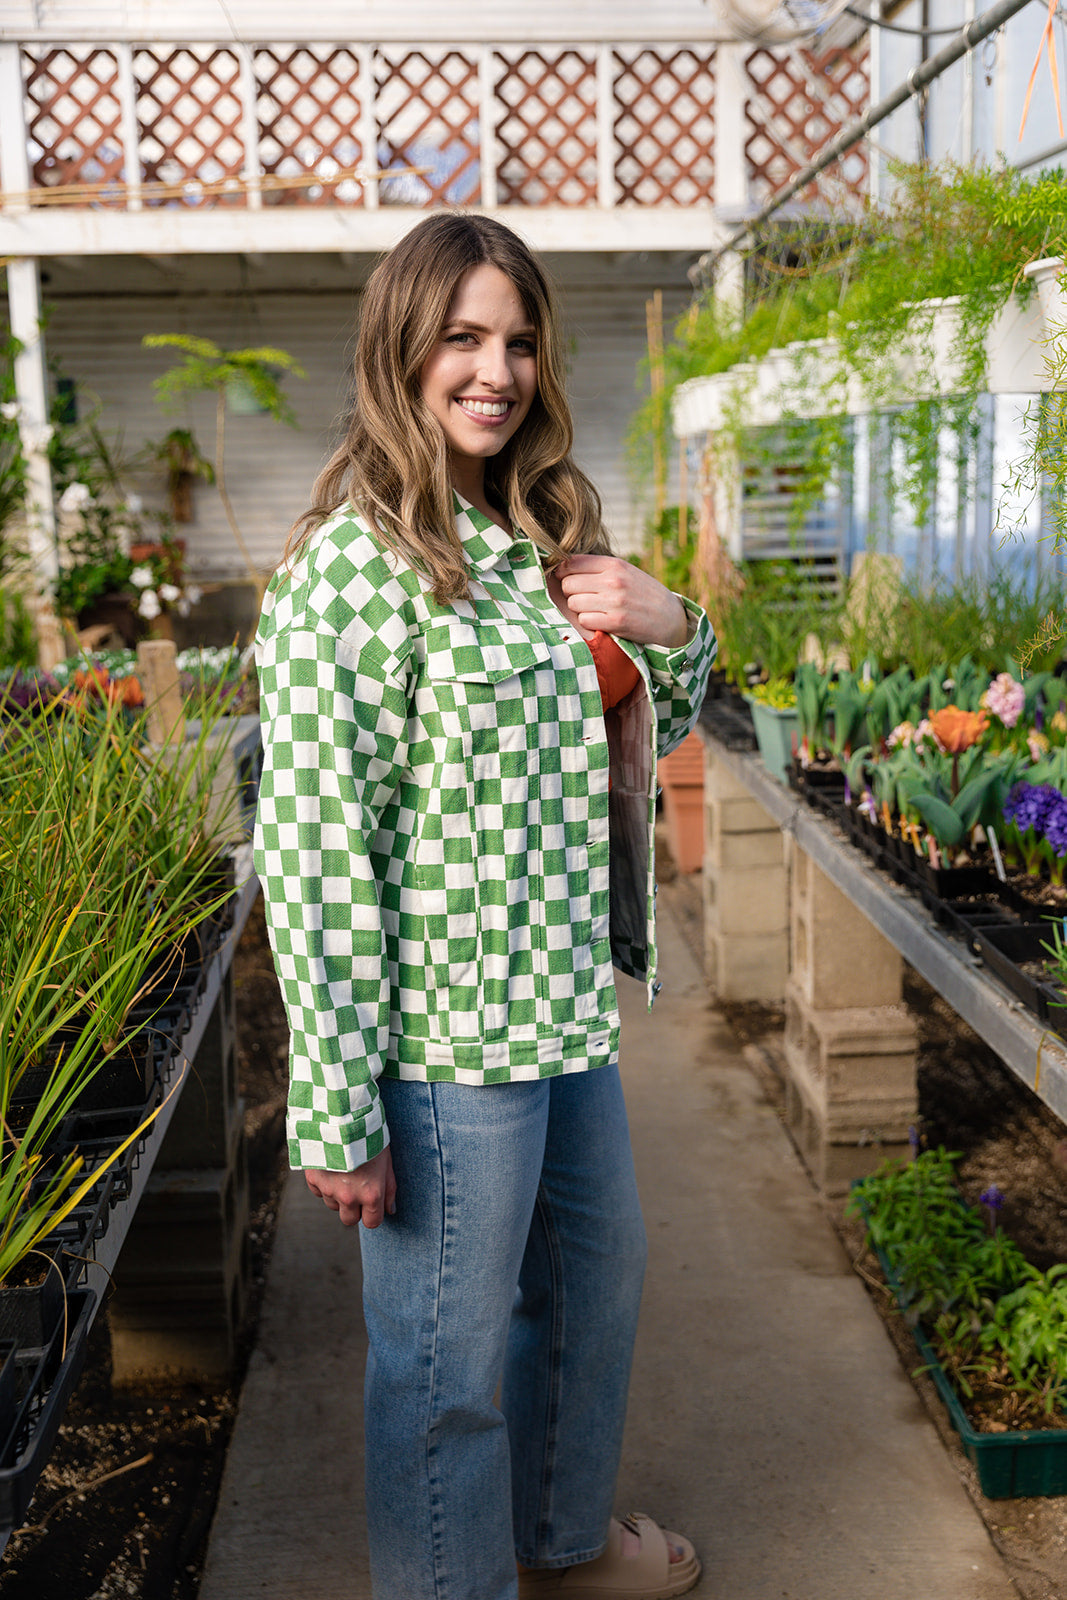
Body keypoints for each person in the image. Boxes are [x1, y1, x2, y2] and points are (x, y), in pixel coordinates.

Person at [254, 211, 716, 1600]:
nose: (495, 370)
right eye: (462, 337)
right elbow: (321, 852)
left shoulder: (536, 531)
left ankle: (557, 1547)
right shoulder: (353, 572)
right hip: (446, 1047)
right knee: (445, 1376)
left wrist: (668, 620)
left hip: (561, 1009)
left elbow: (631, 729)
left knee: (591, 1289)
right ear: (403, 350)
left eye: (517, 340)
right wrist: (337, 1106)